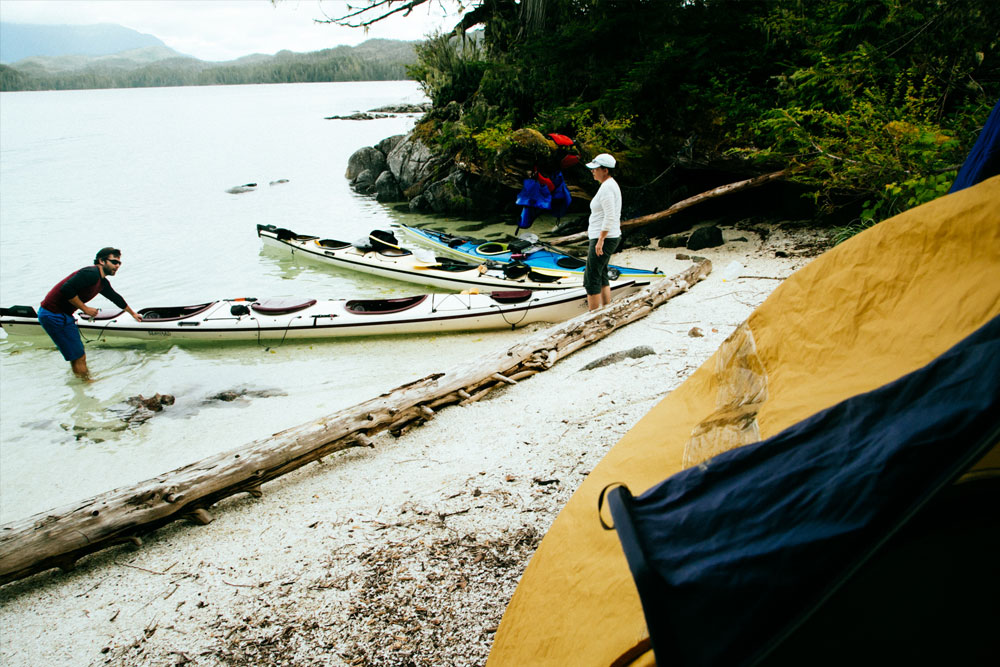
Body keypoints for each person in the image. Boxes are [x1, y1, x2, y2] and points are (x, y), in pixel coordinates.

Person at [38, 247, 142, 378]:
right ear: (102, 261)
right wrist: (85, 309)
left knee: (77, 353)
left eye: (119, 263)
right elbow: (67, 289)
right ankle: (86, 382)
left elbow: (115, 297)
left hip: (62, 315)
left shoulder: (102, 282)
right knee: (78, 354)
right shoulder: (91, 273)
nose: (117, 266)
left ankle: (82, 382)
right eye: (114, 262)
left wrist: (132, 314)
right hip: (53, 314)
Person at [584, 153, 622, 310]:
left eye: (595, 169)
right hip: (608, 236)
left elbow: (610, 216)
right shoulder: (609, 185)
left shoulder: (607, 188)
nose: (593, 171)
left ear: (605, 170)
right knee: (602, 273)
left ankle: (593, 315)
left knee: (591, 276)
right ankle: (606, 308)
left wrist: (601, 239)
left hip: (605, 237)